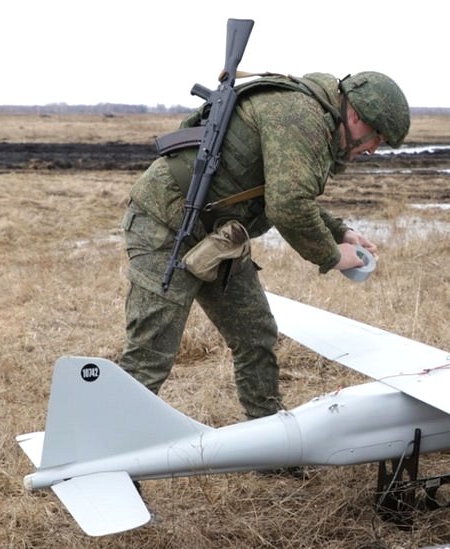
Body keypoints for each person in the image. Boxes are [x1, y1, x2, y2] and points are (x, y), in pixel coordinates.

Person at [119, 71, 410, 422]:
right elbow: (288, 206)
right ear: (356, 115)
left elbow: (284, 186)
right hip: (165, 226)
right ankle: (101, 455)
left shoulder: (312, 114)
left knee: (255, 334)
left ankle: (270, 431)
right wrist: (334, 256)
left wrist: (340, 232)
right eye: (375, 136)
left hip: (219, 237)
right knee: (151, 354)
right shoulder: (300, 117)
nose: (373, 148)